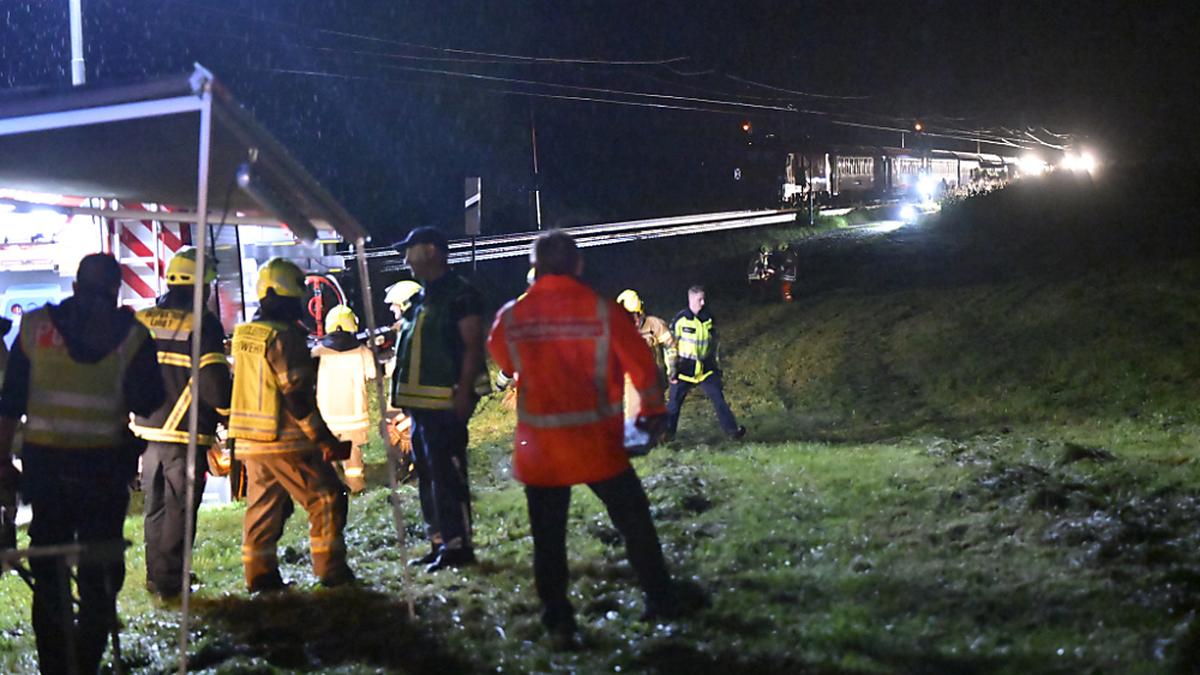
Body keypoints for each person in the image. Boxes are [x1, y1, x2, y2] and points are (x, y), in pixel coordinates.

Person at [487, 231, 705, 647]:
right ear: (578, 265)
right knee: (635, 522)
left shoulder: (513, 315)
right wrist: (652, 415)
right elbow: (643, 368)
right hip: (598, 446)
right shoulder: (604, 312)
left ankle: (559, 621)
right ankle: (660, 598)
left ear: (535, 267)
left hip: (542, 452)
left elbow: (501, 356)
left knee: (548, 539)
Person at [0, 253, 166, 674]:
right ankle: (88, 660)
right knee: (99, 568)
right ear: (116, 290)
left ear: (74, 286)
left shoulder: (35, 328)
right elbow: (149, 400)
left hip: (46, 472)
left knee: (49, 569)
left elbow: (9, 405)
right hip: (103, 472)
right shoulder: (130, 334)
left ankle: (56, 665)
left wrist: (2, 462)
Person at [228, 258, 354, 592]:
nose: (296, 305)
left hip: (249, 440)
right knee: (327, 497)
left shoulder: (244, 334)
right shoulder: (285, 337)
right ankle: (331, 571)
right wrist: (323, 439)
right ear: (275, 297)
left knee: (264, 508)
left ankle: (260, 576)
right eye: (291, 298)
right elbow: (296, 395)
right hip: (285, 439)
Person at [130, 248, 232, 599]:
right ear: (200, 286)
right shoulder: (202, 324)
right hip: (183, 434)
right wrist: (227, 412)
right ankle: (172, 581)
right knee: (180, 507)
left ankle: (156, 575)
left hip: (144, 432)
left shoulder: (142, 319)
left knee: (155, 507)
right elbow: (215, 386)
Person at [391, 227, 488, 572]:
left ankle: (459, 545)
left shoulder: (460, 295)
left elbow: (473, 347)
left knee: (448, 476)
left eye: (410, 250)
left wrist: (464, 392)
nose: (405, 259)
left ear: (432, 251)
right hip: (421, 409)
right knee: (429, 476)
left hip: (446, 405)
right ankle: (440, 542)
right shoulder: (421, 300)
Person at [665, 285, 746, 441]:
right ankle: (667, 436)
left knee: (718, 399)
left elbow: (714, 343)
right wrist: (672, 369)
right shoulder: (680, 320)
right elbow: (670, 346)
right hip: (684, 369)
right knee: (674, 404)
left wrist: (717, 365)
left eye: (703, 299)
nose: (702, 303)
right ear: (691, 300)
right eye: (699, 299)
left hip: (705, 368)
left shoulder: (708, 318)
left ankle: (732, 432)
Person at [312, 304, 377, 493]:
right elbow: (373, 374)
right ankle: (356, 487)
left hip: (326, 416)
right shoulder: (363, 351)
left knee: (327, 453)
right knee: (353, 457)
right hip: (354, 416)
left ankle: (330, 489)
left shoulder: (318, 352)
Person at [615, 289, 677, 418]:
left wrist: (673, 368)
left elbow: (671, 346)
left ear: (640, 312)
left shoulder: (655, 325)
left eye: (635, 315)